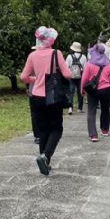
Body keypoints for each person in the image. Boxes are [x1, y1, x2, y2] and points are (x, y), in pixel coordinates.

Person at [20, 26, 72, 175]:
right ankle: (45, 156)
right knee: (56, 129)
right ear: (51, 40)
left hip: (36, 96)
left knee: (43, 130)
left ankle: (44, 161)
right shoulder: (57, 53)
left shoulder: (32, 55)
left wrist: (36, 79)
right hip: (53, 97)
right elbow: (68, 75)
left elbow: (24, 77)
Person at [81, 43, 110, 141]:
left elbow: (84, 79)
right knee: (105, 110)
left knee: (91, 111)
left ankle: (93, 135)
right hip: (106, 90)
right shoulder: (109, 65)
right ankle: (105, 130)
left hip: (93, 90)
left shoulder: (89, 64)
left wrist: (82, 89)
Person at [66, 41, 86, 115]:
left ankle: (70, 108)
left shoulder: (69, 56)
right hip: (80, 77)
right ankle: (80, 108)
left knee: (71, 92)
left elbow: (66, 67)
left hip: (71, 77)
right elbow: (85, 68)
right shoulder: (83, 57)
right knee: (80, 92)